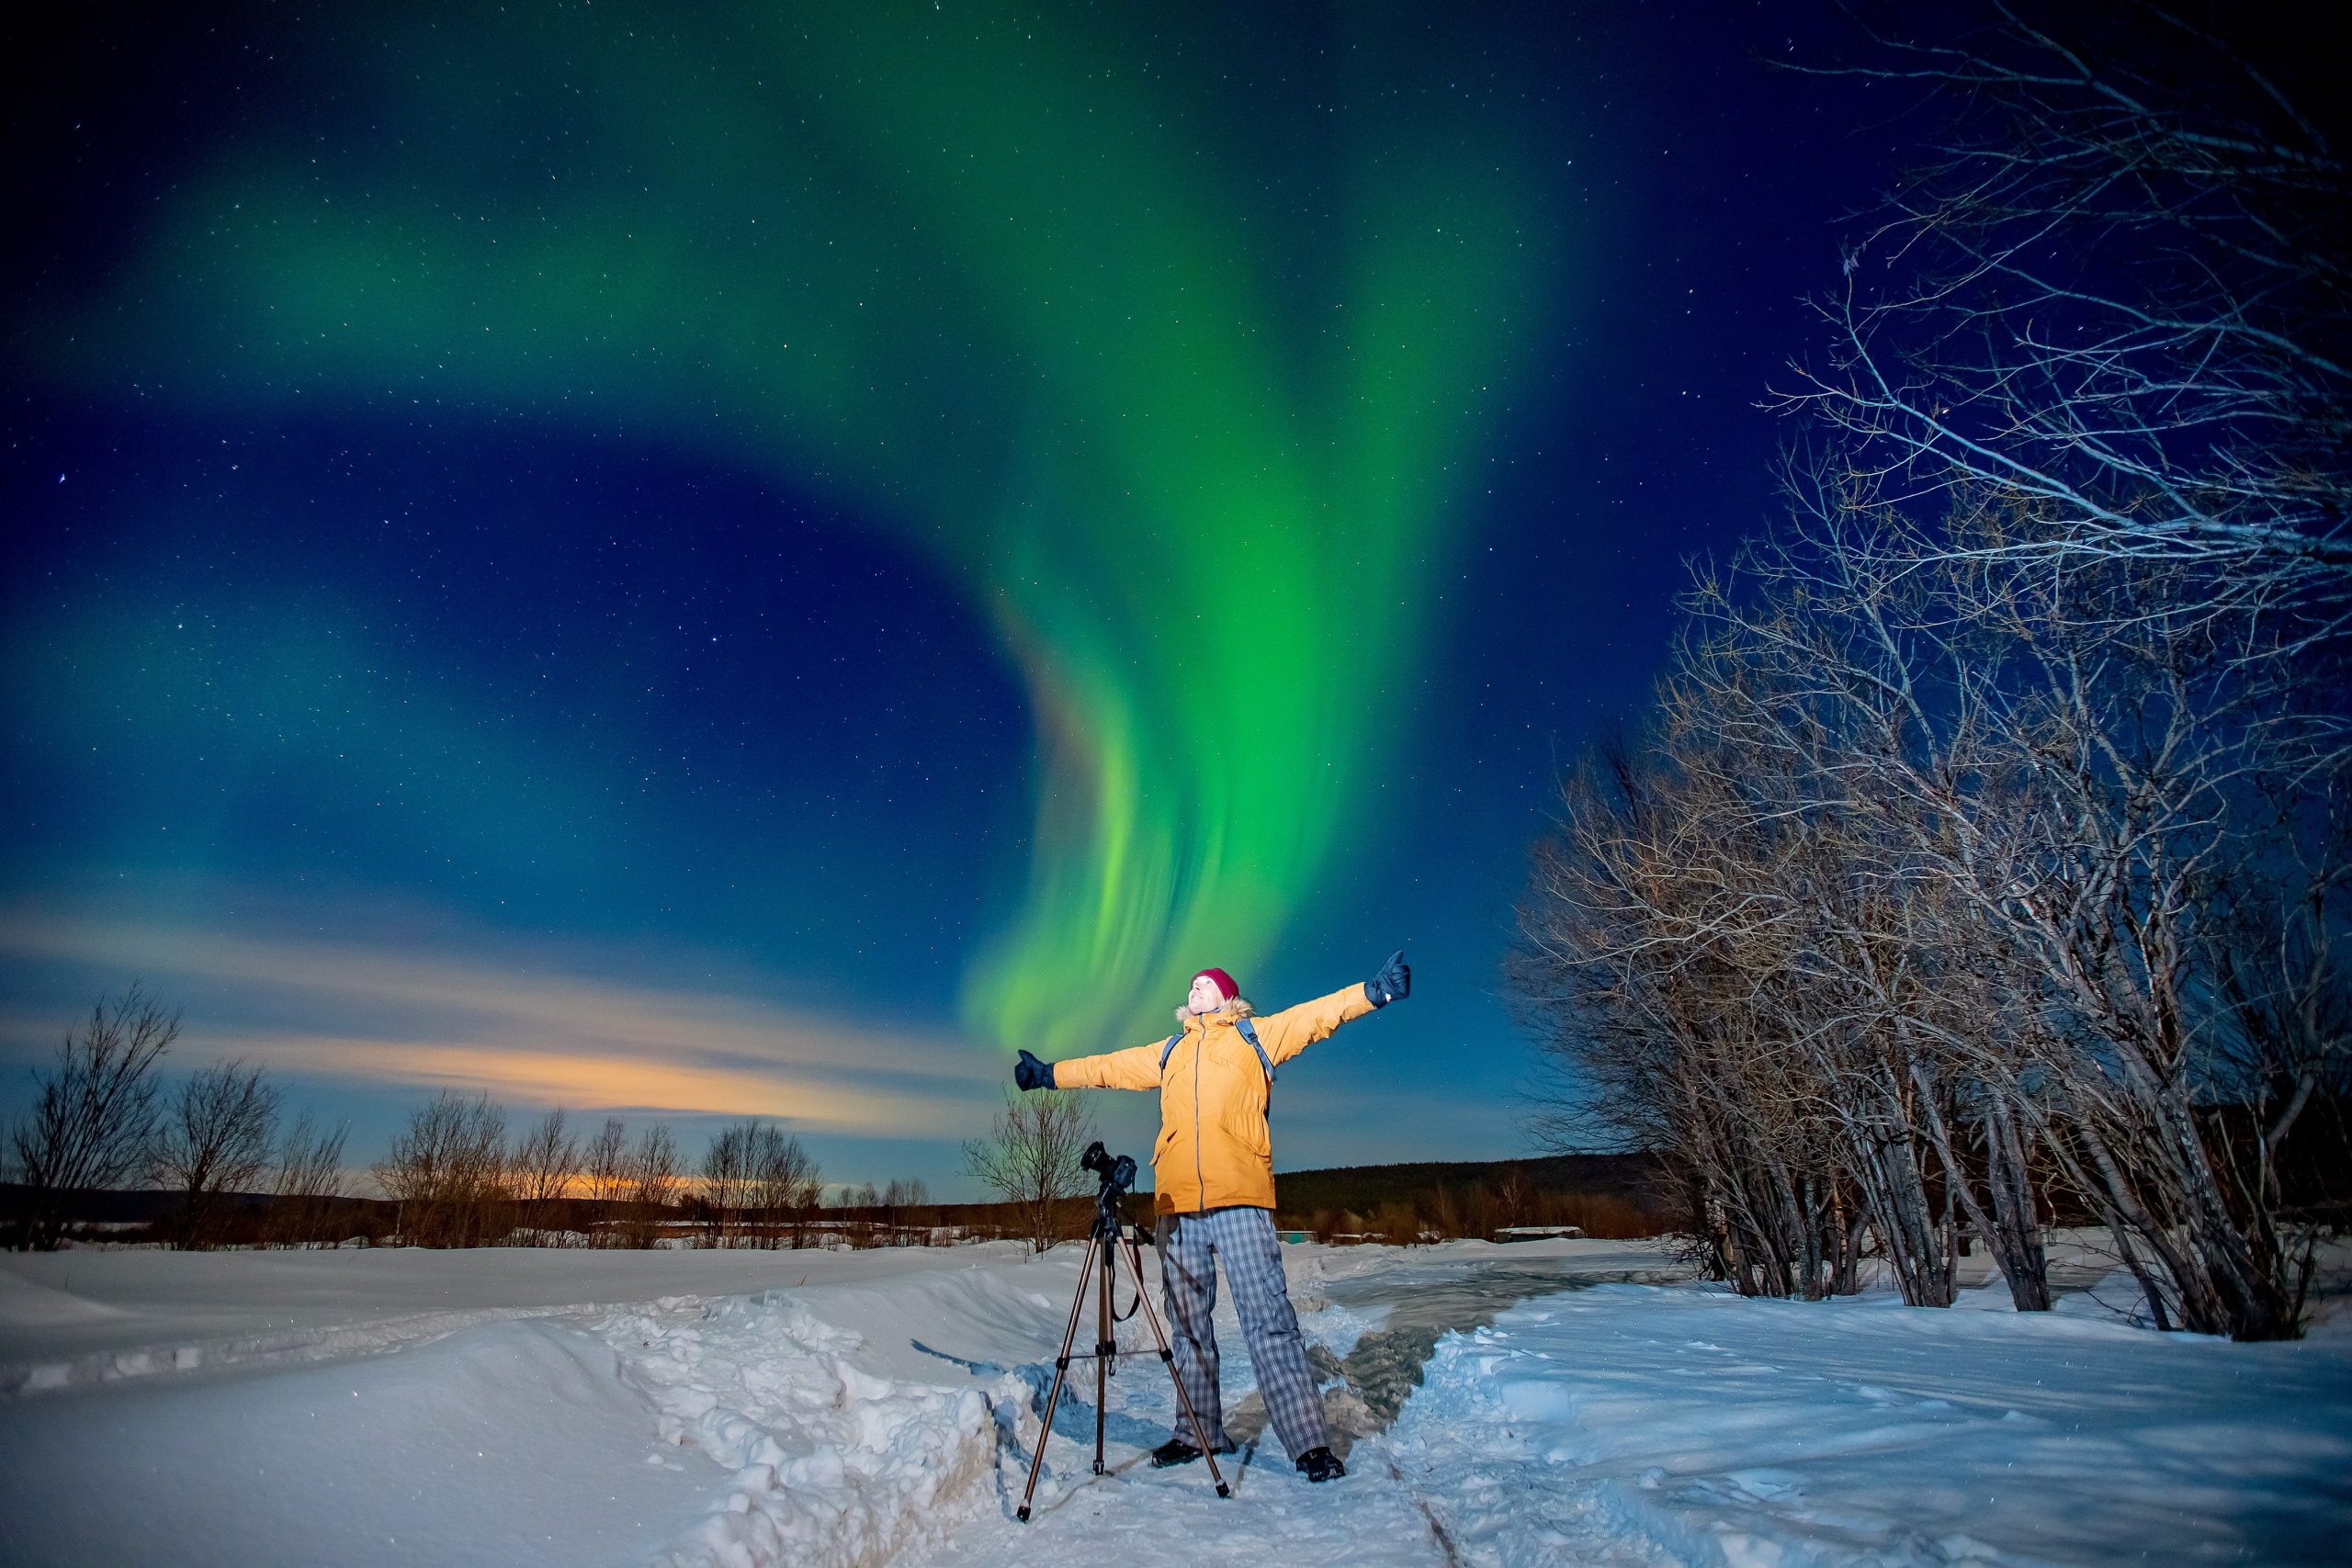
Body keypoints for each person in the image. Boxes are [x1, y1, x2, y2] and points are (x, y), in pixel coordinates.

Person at [1012, 950, 1410, 1483]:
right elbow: (1108, 1067)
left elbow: (1316, 1016)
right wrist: (1049, 1075)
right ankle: (1197, 1431)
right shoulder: (1170, 1050)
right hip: (1177, 1207)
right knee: (1187, 1327)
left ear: (1228, 995)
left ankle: (1309, 1444)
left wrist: (1371, 992)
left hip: (1240, 1198)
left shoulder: (1255, 1036)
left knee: (1268, 1319)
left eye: (1205, 983)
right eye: (1192, 984)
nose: (1194, 987)